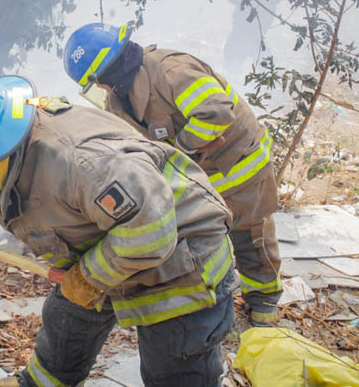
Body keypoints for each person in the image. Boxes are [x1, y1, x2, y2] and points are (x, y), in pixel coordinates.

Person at [0, 73, 239, 387]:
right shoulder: (8, 149)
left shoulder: (85, 163)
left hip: (180, 262)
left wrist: (89, 278)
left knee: (173, 367)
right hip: (108, 250)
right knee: (65, 326)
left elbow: (150, 230)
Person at [62, 22, 282, 328]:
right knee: (202, 239)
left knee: (249, 236)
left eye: (96, 83)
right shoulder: (118, 100)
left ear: (107, 75)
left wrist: (180, 149)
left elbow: (216, 112)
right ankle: (212, 297)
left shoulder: (170, 71)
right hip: (199, 178)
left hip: (239, 166)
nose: (99, 91)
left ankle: (264, 301)